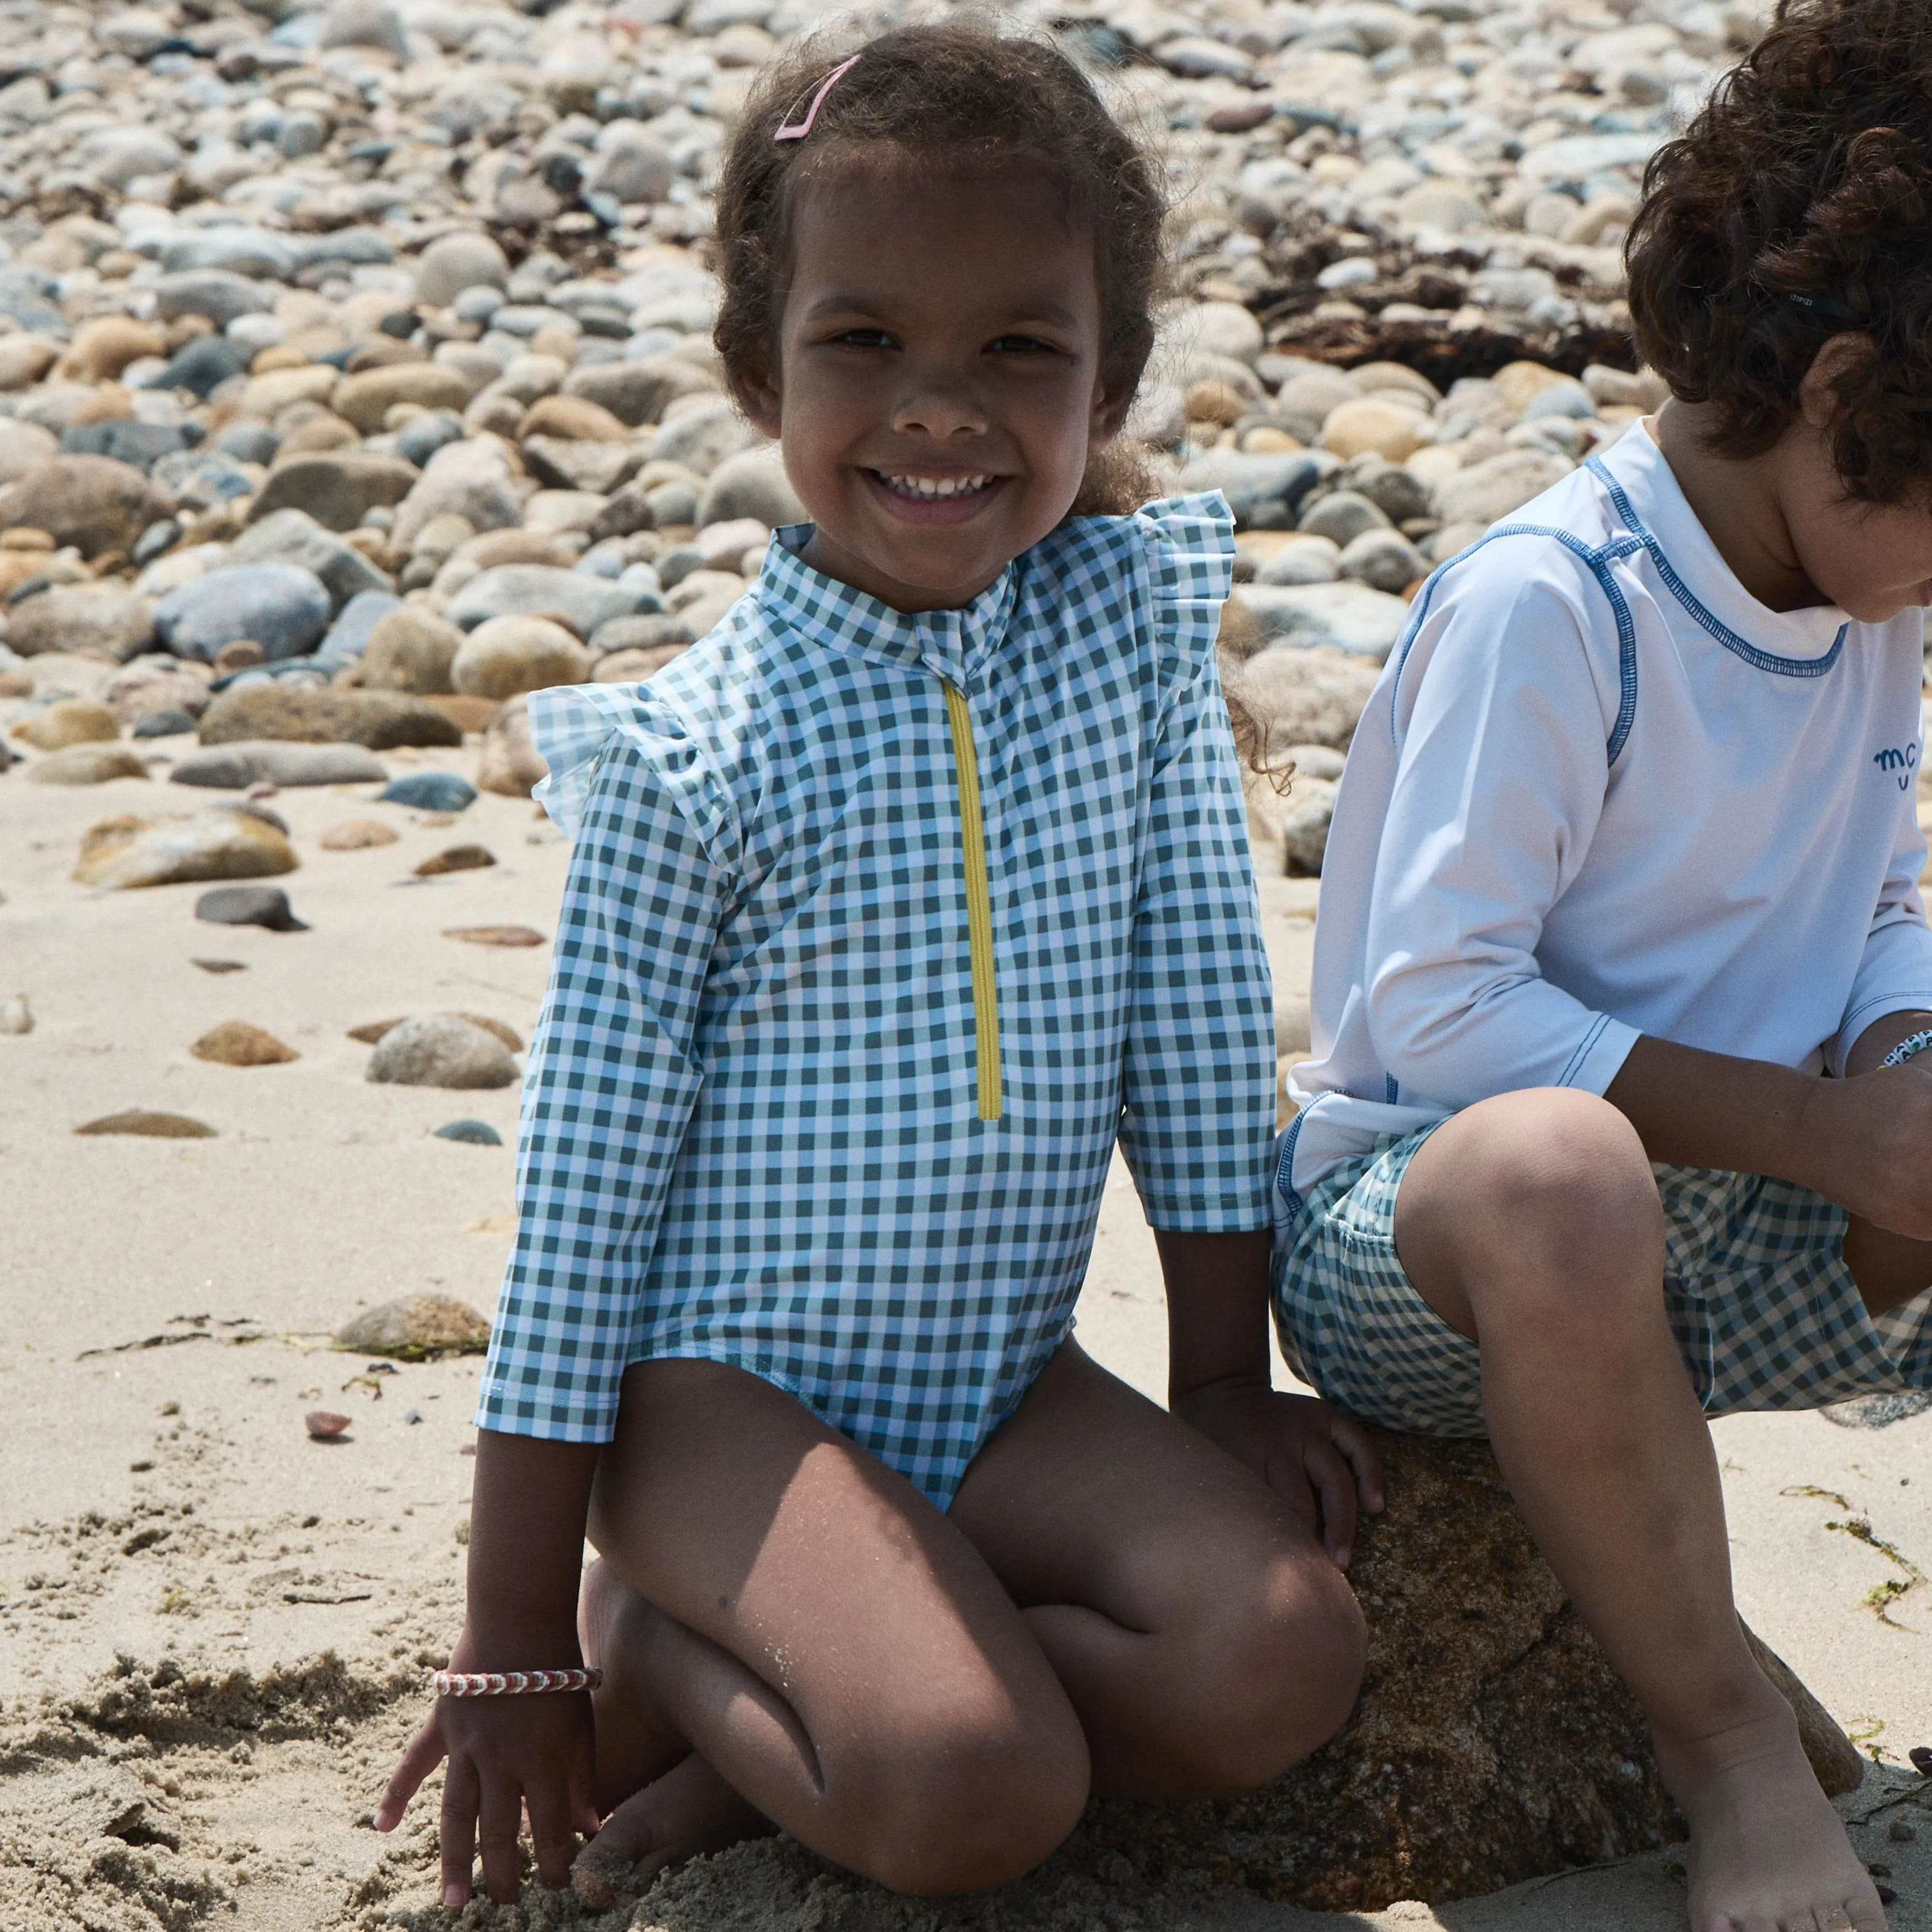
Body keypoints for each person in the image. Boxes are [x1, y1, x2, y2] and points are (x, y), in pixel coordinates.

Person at [374, 22, 1379, 1911]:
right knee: (972, 1799)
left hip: (999, 1379)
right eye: (865, 344)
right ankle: (666, 1649)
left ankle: (791, 1739)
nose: (942, 407)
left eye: (1020, 348)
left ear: (1112, 373)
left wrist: (1222, 1382)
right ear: (761, 370)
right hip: (713, 1411)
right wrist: (512, 1640)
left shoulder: (1129, 653)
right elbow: (577, 1213)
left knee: (1277, 1662)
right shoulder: (690, 762)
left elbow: (1192, 1024)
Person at [1274, 5, 1932, 1929]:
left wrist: (1901, 1059)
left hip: (1743, 1228)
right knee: (1566, 1170)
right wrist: (1828, 1134)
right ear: (1835, 387)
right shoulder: (1561, 606)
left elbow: (1882, 895)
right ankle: (1724, 1750)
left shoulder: (1863, 601)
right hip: (1443, 1245)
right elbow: (1444, 1010)